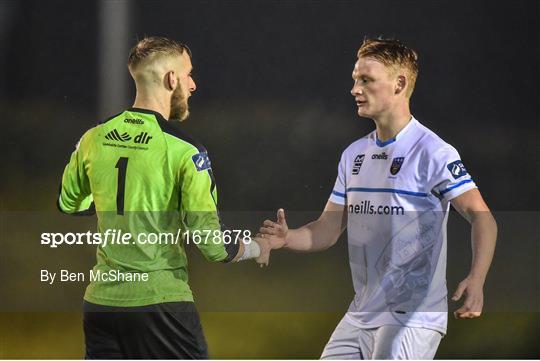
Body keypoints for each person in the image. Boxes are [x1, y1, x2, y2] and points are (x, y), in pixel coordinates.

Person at [258, 38, 497, 359]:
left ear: (399, 84)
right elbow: (326, 229)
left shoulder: (433, 152)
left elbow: (482, 217)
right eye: (355, 79)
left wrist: (476, 278)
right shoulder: (354, 155)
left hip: (413, 314)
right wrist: (288, 238)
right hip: (362, 313)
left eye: (366, 80)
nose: (355, 89)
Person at [57, 36, 268, 359]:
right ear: (172, 79)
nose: (193, 84)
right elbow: (212, 245)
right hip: (160, 305)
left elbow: (70, 203)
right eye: (188, 74)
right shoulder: (184, 150)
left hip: (101, 305)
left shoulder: (93, 138)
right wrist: (258, 247)